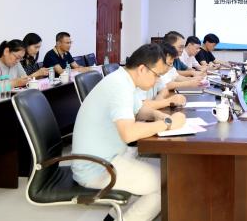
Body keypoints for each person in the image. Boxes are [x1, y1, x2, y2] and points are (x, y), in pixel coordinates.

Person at [71, 43, 185, 221]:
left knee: (167, 167)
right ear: (142, 69)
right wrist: (168, 123)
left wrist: (157, 115)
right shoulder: (119, 86)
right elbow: (129, 133)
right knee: (166, 182)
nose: (157, 81)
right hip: (97, 167)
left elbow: (139, 110)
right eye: (156, 75)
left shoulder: (123, 79)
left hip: (111, 155)